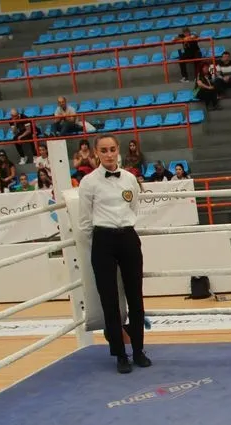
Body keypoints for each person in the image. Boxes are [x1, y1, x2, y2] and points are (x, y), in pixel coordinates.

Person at [78, 134, 151, 374]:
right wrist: (100, 244)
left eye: (112, 149)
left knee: (135, 297)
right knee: (109, 300)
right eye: (104, 150)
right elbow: (84, 221)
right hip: (102, 239)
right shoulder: (88, 182)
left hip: (128, 237)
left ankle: (138, 350)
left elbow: (133, 208)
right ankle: (120, 354)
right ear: (96, 153)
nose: (108, 154)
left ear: (118, 150)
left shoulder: (129, 178)